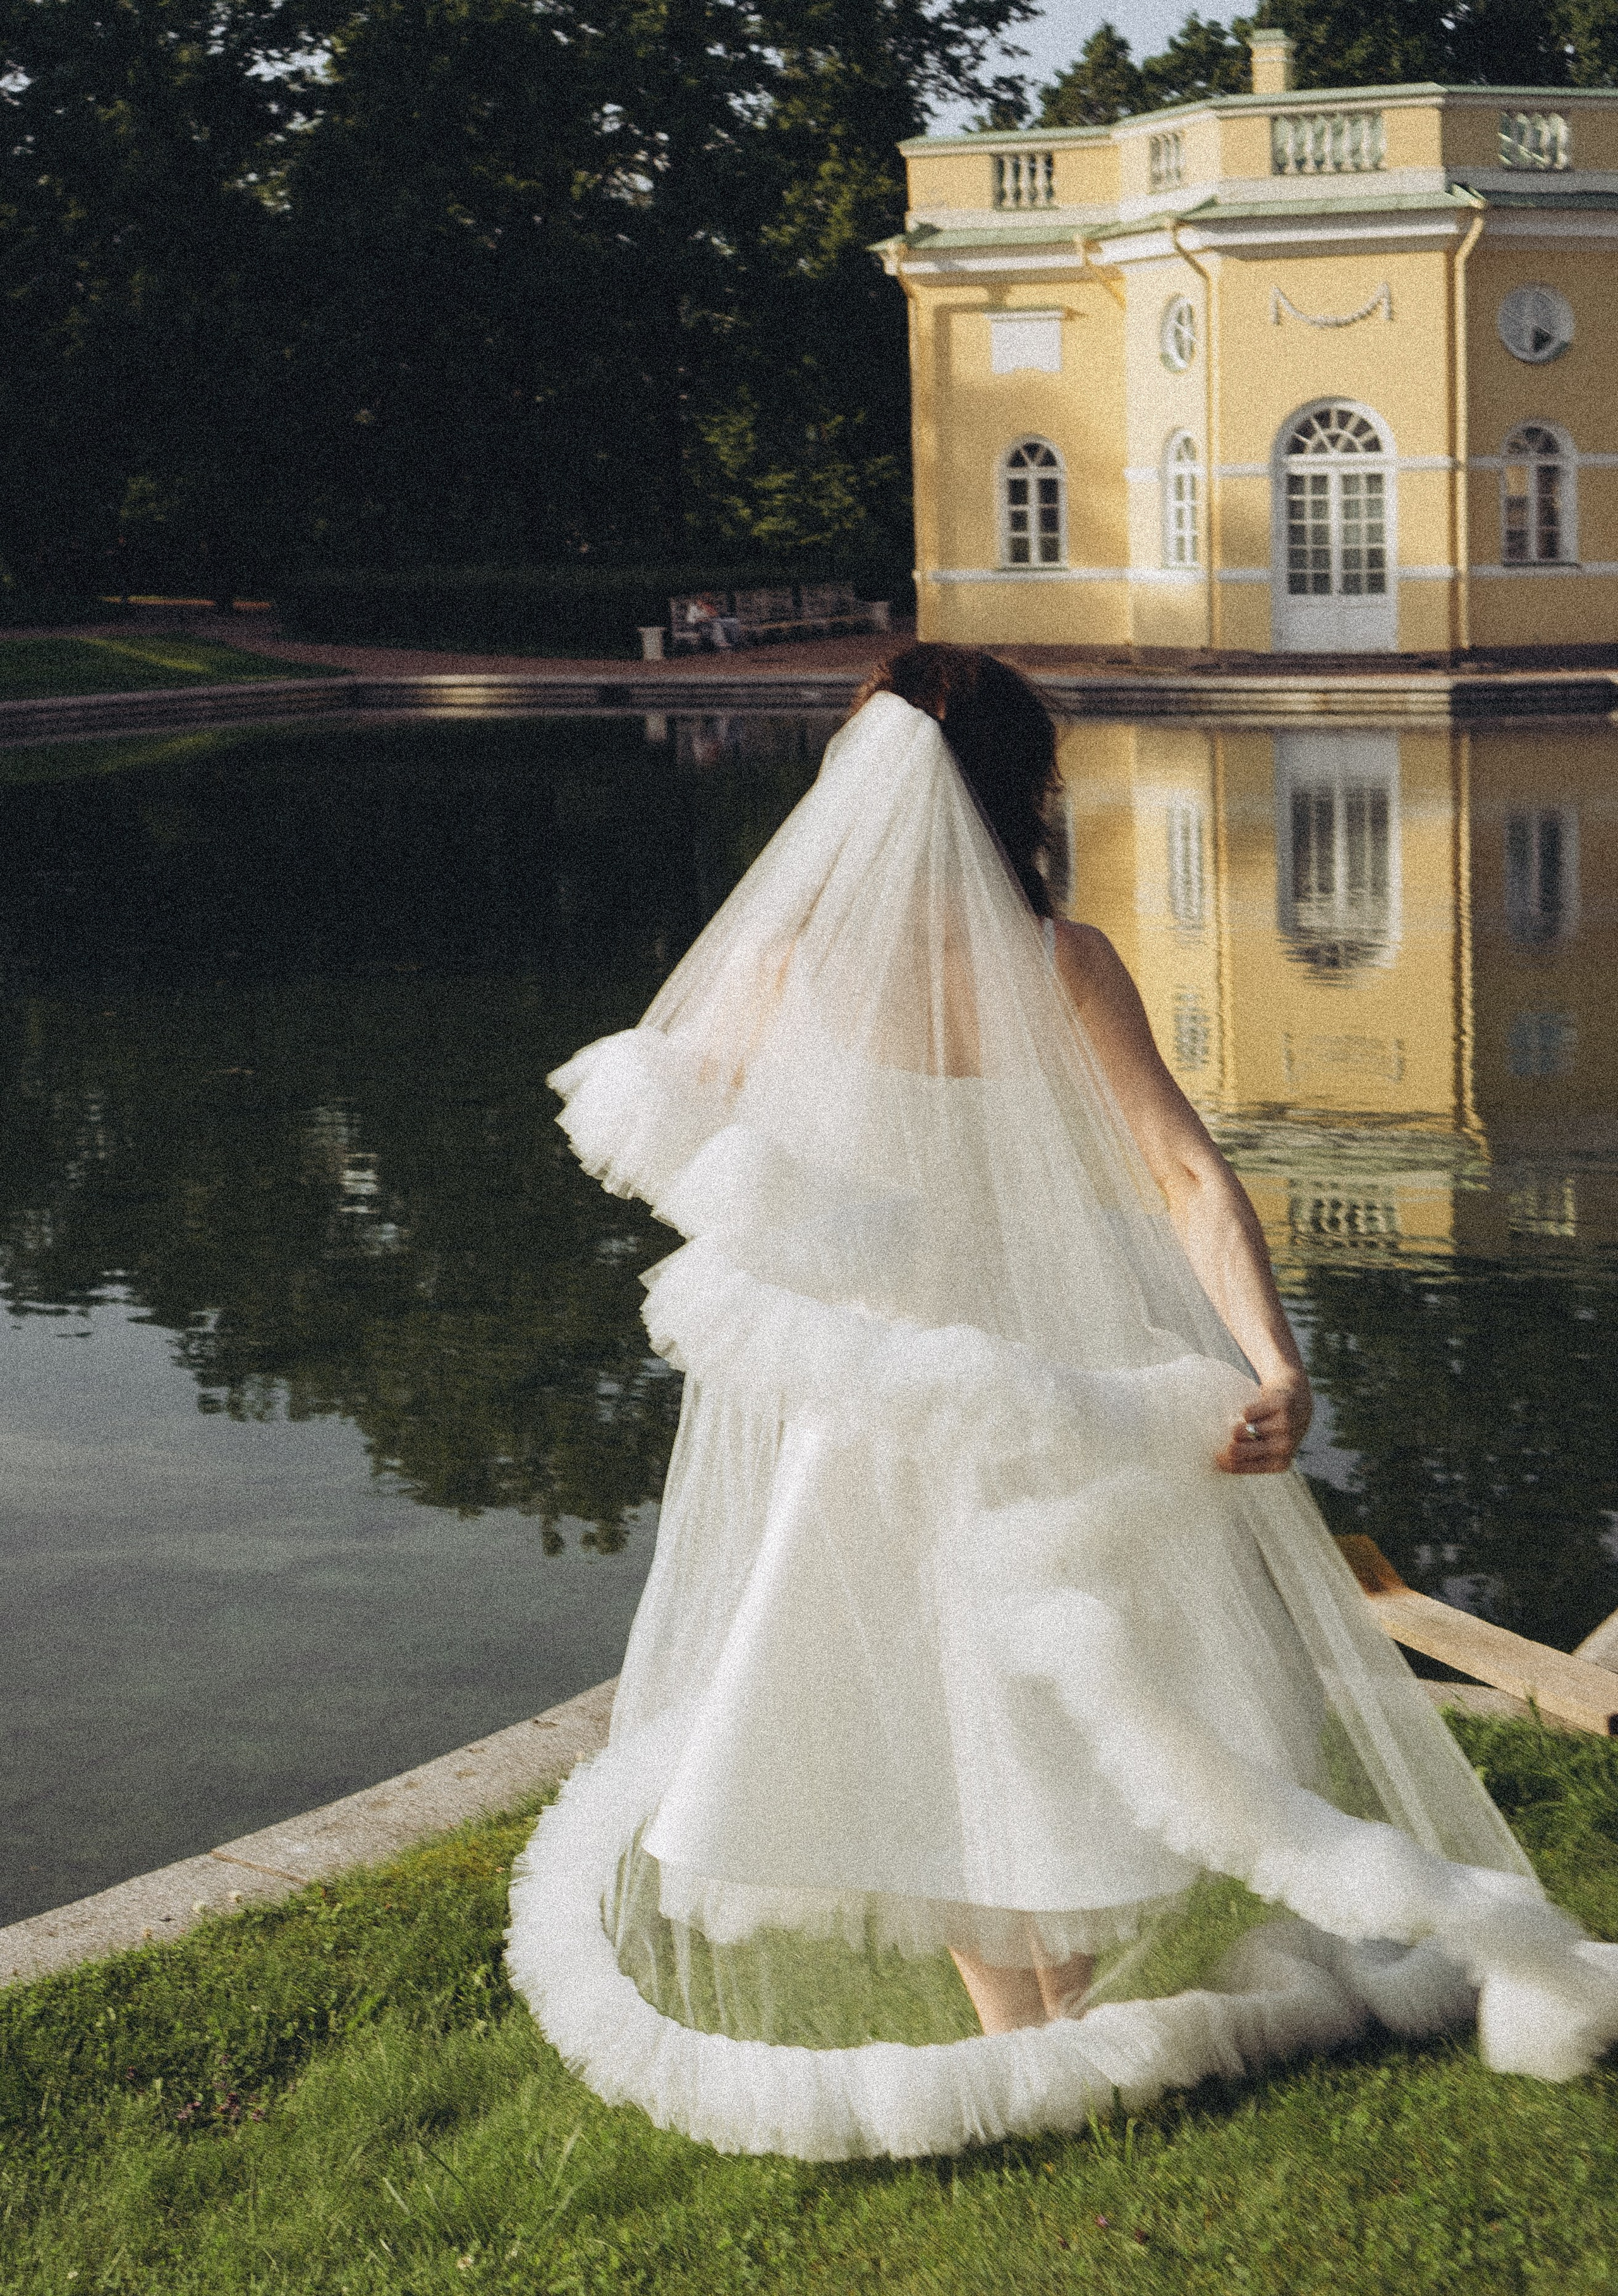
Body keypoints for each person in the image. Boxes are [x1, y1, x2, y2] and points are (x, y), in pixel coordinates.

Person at [509, 645, 1618, 2161]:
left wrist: (810, 1248)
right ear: (1024, 793)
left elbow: (665, 1132)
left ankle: (1013, 2042)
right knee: (1063, 1701)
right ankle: (1042, 2032)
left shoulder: (777, 975)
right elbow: (1181, 1175)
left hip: (879, 1394)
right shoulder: (1060, 964)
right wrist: (1268, 1358)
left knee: (928, 1704)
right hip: (1060, 1381)